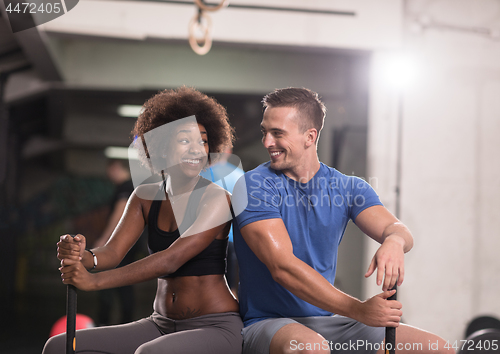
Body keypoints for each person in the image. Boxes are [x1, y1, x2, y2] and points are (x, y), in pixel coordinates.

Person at [231, 87, 453, 354]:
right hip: (271, 322)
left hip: (330, 321)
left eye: (277, 133)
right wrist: (360, 310)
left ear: (309, 136)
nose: (267, 142)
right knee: (311, 348)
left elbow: (398, 229)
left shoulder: (349, 187)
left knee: (437, 348)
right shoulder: (254, 185)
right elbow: (283, 267)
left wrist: (394, 241)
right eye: (265, 131)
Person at [43, 87, 243, 354]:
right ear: (161, 146)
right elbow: (112, 253)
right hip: (160, 323)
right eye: (185, 140)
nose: (196, 149)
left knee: (148, 353)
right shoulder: (145, 196)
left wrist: (94, 282)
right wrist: (84, 255)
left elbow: (170, 259)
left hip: (214, 325)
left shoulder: (217, 198)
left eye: (203, 141)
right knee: (58, 346)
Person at [94, 158, 143, 325]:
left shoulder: (126, 187)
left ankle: (112, 321)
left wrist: (104, 239)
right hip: (130, 242)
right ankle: (123, 320)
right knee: (124, 281)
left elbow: (119, 214)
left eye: (110, 170)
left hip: (123, 243)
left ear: (116, 168)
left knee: (118, 280)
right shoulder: (131, 186)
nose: (109, 175)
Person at [200, 147, 244, 297]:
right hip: (233, 237)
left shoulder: (204, 173)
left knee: (207, 281)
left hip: (207, 236)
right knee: (231, 283)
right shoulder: (240, 175)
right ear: (230, 152)